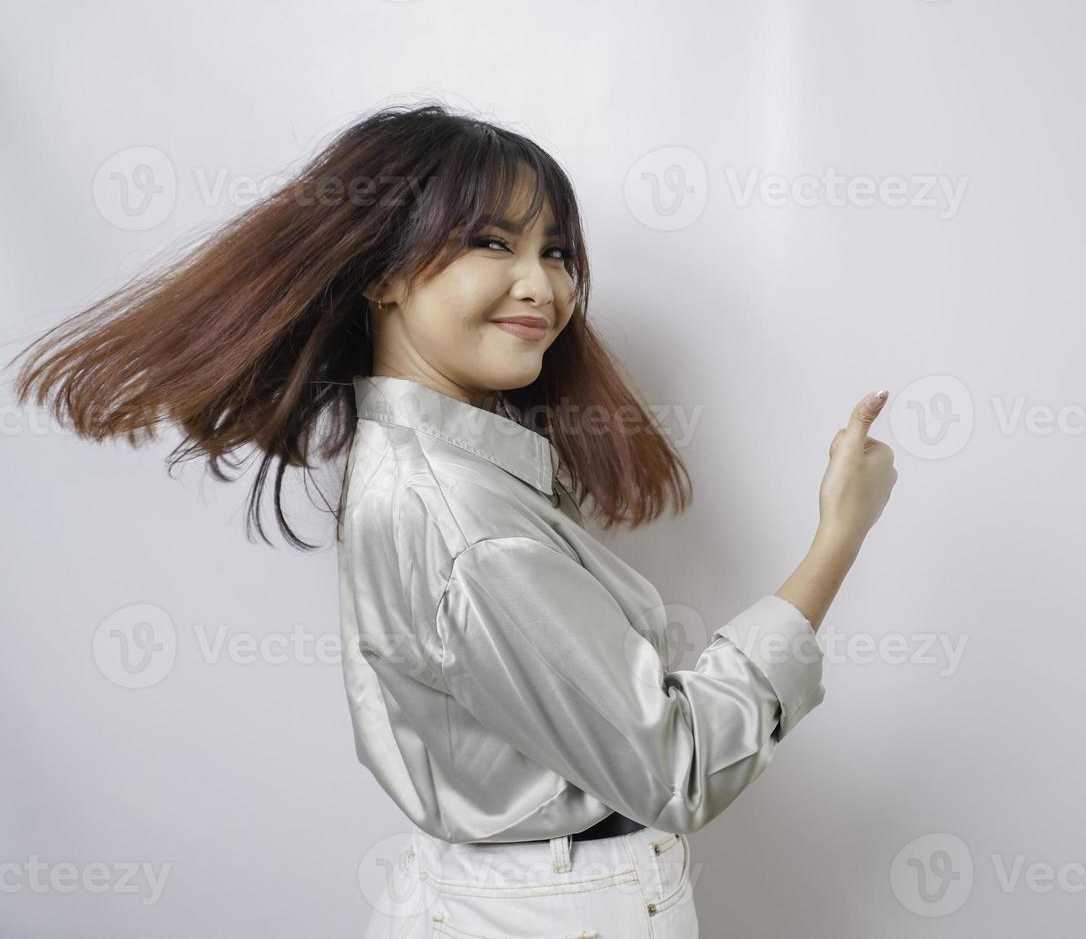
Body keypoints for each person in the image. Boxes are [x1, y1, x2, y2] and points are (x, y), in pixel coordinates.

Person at [8, 102, 897, 937]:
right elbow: (676, 767)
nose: (540, 286)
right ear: (387, 272)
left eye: (555, 252)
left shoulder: (436, 471)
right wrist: (837, 540)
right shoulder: (462, 517)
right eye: (491, 242)